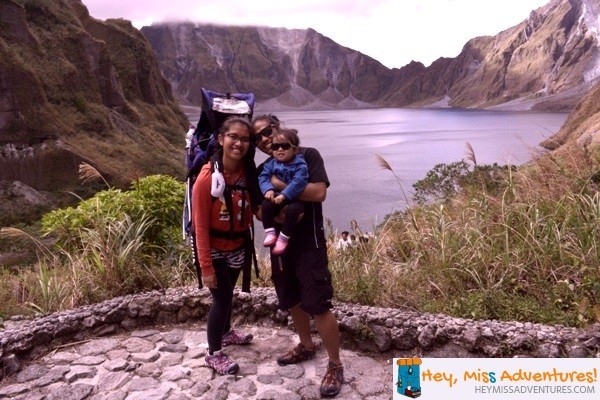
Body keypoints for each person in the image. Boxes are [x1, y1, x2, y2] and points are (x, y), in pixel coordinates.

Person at [252, 114, 344, 398]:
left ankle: (335, 364)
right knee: (292, 297)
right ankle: (306, 346)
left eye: (268, 131)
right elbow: (258, 210)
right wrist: (273, 213)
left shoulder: (307, 156)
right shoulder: (264, 168)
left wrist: (280, 186)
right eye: (258, 137)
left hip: (309, 243)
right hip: (280, 245)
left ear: (278, 127)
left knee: (317, 303)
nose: (266, 140)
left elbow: (318, 193)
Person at [191, 116, 259, 375]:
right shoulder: (207, 178)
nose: (238, 143)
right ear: (221, 139)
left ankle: (227, 332)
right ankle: (213, 353)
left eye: (244, 139)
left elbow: (255, 207)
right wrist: (206, 267)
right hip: (215, 248)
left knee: (228, 293)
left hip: (237, 246)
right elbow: (200, 226)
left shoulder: (247, 173)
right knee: (222, 299)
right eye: (233, 136)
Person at [258, 128, 308, 255]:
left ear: (295, 150)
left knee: (293, 210)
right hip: (277, 197)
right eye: (275, 146)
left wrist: (285, 195)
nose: (280, 149)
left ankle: (283, 238)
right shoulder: (271, 164)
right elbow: (263, 177)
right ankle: (270, 232)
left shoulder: (300, 165)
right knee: (266, 205)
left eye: (285, 146)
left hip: (295, 199)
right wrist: (268, 189)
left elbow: (299, 182)